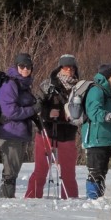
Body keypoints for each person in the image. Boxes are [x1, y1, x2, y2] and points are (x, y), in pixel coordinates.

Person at [25, 54, 80, 199]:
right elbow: (36, 106)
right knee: (41, 170)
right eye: (66, 67)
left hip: (68, 133)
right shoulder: (47, 85)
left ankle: (71, 201)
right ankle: (31, 199)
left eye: (72, 67)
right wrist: (48, 113)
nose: (69, 70)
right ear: (60, 68)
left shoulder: (79, 87)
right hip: (46, 132)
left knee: (68, 172)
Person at [0, 53, 38, 198]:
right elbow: (10, 112)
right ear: (16, 67)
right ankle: (6, 201)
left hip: (19, 133)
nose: (25, 69)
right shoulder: (10, 84)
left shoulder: (24, 84)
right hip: (10, 133)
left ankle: (7, 199)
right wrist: (33, 109)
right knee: (10, 172)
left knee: (13, 170)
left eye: (28, 66)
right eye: (22, 66)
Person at [83, 64, 111, 200]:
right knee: (96, 171)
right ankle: (92, 199)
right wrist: (110, 116)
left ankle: (98, 197)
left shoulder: (106, 92)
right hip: (96, 137)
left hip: (104, 137)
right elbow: (93, 112)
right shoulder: (96, 90)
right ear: (107, 77)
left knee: (101, 171)